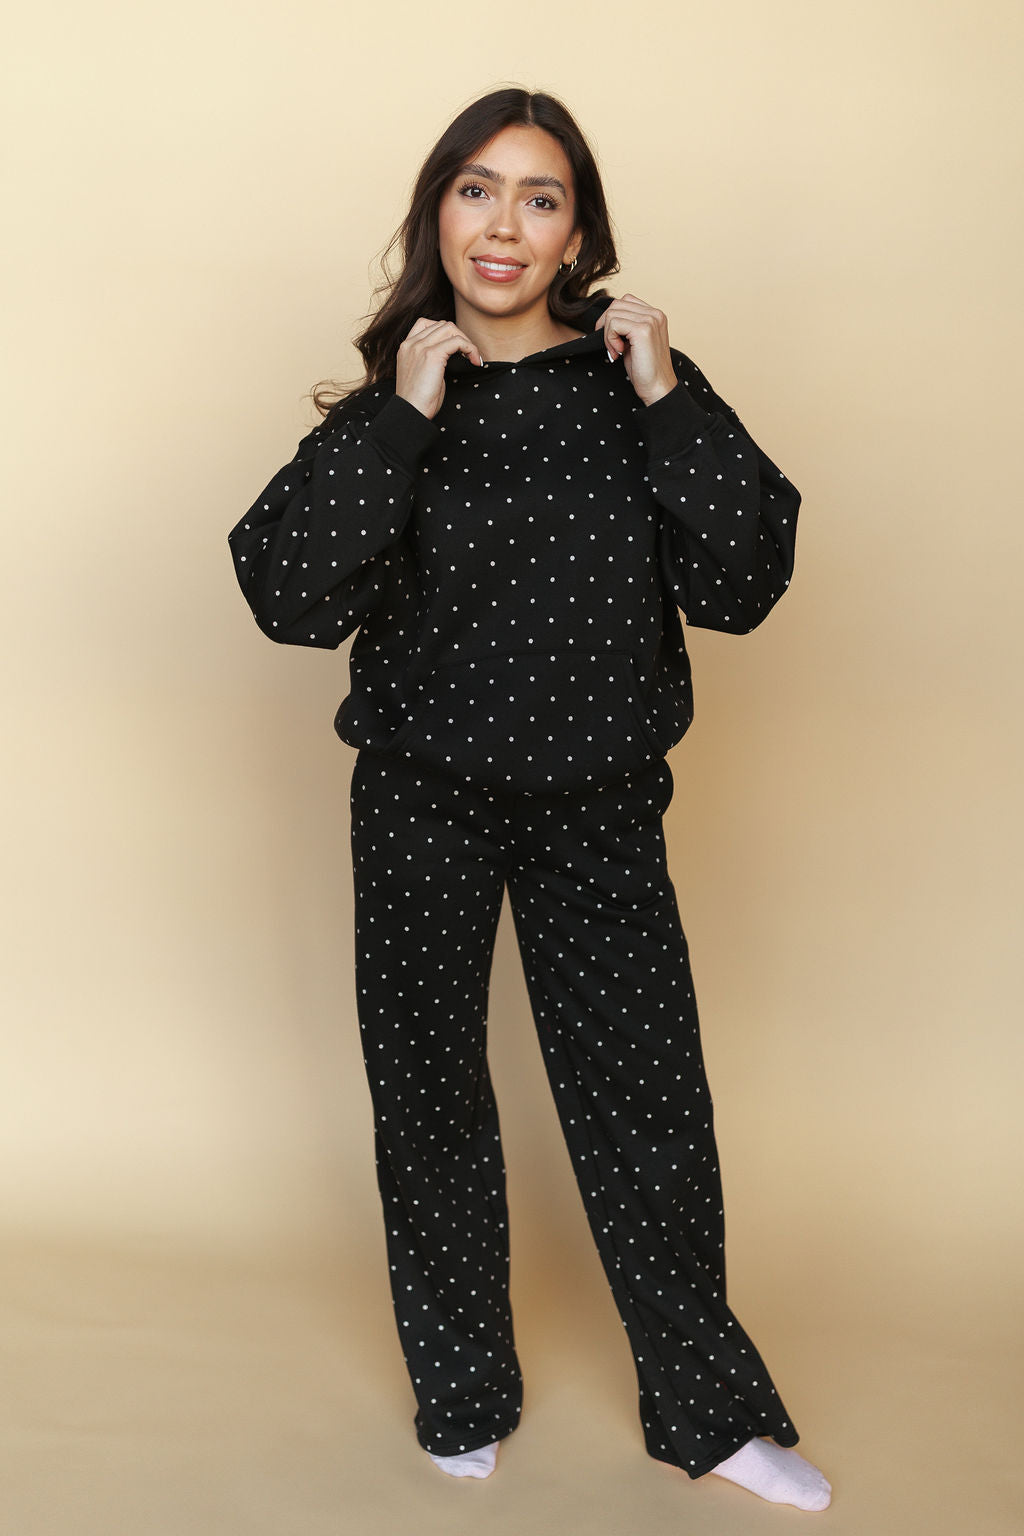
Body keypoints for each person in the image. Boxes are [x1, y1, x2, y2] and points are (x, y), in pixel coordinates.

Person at [228, 86, 831, 1513]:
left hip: (598, 802)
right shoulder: (395, 405)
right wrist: (401, 415)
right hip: (421, 799)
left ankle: (709, 1413)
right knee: (430, 1098)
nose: (505, 224)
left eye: (540, 197)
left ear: (577, 234)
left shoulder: (636, 386)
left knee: (649, 1107)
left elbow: (744, 580)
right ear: (438, 213)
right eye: (478, 189)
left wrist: (667, 391)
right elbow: (287, 595)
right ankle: (461, 1389)